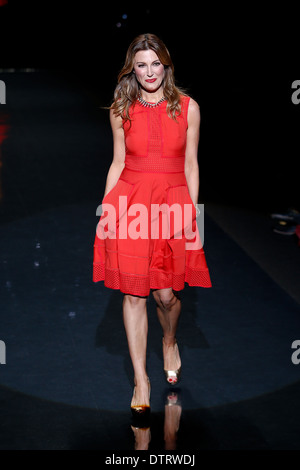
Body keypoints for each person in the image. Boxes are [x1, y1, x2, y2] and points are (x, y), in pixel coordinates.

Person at [93, 33, 212, 418]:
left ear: (166, 65)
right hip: (129, 202)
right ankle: (141, 379)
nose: (149, 72)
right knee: (133, 294)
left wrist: (192, 213)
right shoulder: (120, 109)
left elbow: (192, 164)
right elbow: (117, 161)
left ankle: (170, 339)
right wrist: (106, 211)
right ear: (133, 68)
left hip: (173, 203)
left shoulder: (188, 108)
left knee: (166, 296)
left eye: (155, 64)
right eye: (141, 64)